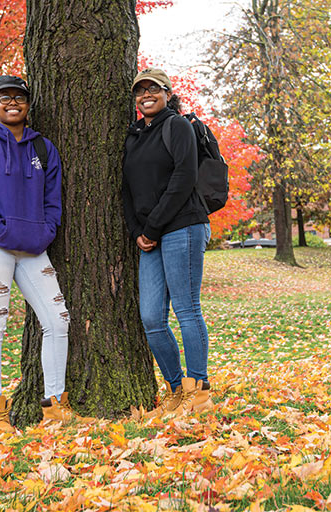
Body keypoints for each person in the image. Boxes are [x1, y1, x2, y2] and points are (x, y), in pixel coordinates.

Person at [0, 74, 75, 433]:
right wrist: (0, 229)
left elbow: (53, 200)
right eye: (4, 97)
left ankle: (55, 407)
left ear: (28, 104)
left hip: (33, 247)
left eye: (19, 97)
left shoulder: (44, 148)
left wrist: (46, 231)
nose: (13, 103)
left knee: (58, 321)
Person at [121, 67, 214, 418]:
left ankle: (199, 390)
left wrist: (153, 228)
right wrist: (137, 232)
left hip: (182, 227)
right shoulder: (134, 136)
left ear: (167, 93)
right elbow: (126, 189)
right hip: (149, 237)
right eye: (140, 91)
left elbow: (184, 177)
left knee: (187, 309)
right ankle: (176, 388)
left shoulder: (177, 126)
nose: (146, 95)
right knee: (151, 318)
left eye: (154, 89)